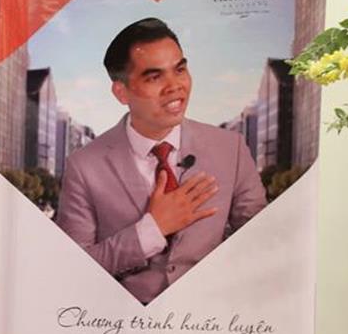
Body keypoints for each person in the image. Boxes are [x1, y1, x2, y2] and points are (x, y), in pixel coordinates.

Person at [54, 18, 267, 304]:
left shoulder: (231, 149)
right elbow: (74, 271)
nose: (174, 86)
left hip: (215, 320)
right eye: (154, 77)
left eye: (180, 70)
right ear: (121, 92)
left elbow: (263, 246)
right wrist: (151, 230)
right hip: (123, 325)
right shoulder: (83, 166)